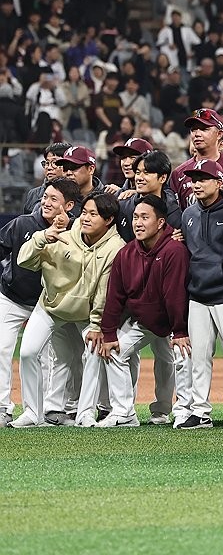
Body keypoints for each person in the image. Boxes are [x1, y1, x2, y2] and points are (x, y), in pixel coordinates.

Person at [13, 191, 123, 428]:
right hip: (51, 306)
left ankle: (85, 413)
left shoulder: (116, 248)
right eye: (84, 213)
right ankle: (33, 412)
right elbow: (23, 261)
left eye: (93, 214)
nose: (86, 218)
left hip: (86, 312)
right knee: (28, 352)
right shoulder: (63, 235)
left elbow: (104, 291)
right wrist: (43, 237)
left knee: (94, 352)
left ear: (109, 219)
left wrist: (96, 325)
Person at [96, 195, 192, 428]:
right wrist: (108, 333)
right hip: (144, 320)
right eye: (135, 217)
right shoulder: (126, 253)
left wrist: (179, 330)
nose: (137, 223)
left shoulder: (174, 251)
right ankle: (124, 412)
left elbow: (175, 295)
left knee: (180, 357)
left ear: (160, 223)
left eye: (144, 218)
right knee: (114, 352)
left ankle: (180, 411)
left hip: (175, 320)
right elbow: (115, 296)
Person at [0, 177, 80, 426]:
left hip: (48, 302)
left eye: (53, 199)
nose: (45, 202)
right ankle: (3, 407)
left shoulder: (76, 230)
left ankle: (49, 408)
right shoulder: (22, 223)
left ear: (68, 206)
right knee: (2, 347)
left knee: (54, 356)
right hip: (12, 296)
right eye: (45, 197)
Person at [176, 158, 223, 429]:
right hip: (199, 295)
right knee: (199, 356)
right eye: (194, 179)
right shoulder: (188, 214)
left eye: (203, 179)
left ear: (219, 182)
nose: (196, 184)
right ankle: (200, 411)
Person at [169, 108, 223, 208]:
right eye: (193, 130)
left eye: (204, 129)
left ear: (219, 134)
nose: (197, 134)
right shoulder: (179, 173)